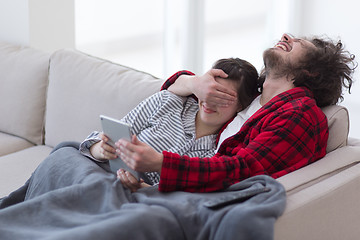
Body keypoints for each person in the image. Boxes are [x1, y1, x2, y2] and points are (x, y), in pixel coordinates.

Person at [116, 33, 356, 193]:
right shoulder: (252, 99)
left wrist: (160, 164)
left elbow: (241, 170)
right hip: (176, 188)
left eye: (297, 43)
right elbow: (173, 89)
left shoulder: (300, 114)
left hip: (203, 199)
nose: (284, 36)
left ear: (310, 71)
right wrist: (193, 84)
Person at [79, 57, 259, 192]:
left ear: (241, 106)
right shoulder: (168, 101)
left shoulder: (219, 152)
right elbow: (101, 137)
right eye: (209, 91)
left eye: (222, 97)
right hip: (98, 170)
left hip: (131, 197)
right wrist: (101, 150)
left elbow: (181, 197)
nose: (209, 101)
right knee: (64, 155)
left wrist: (142, 188)